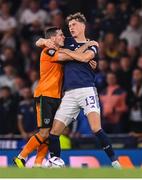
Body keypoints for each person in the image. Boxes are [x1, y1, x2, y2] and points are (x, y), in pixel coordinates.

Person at [38, 12, 121, 168]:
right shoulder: (66, 41)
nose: (71, 28)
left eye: (74, 24)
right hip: (69, 93)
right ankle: (55, 162)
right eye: (69, 26)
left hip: (87, 90)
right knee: (54, 132)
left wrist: (67, 52)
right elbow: (40, 43)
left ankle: (116, 163)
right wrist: (44, 41)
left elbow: (84, 58)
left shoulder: (93, 43)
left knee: (96, 128)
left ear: (83, 25)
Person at [13, 26, 98, 167]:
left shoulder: (57, 51)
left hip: (56, 97)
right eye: (60, 35)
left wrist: (87, 62)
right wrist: (87, 46)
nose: (63, 37)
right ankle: (20, 158)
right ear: (52, 38)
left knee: (50, 133)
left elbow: (72, 57)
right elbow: (70, 55)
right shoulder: (49, 50)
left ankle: (38, 164)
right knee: (45, 132)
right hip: (45, 95)